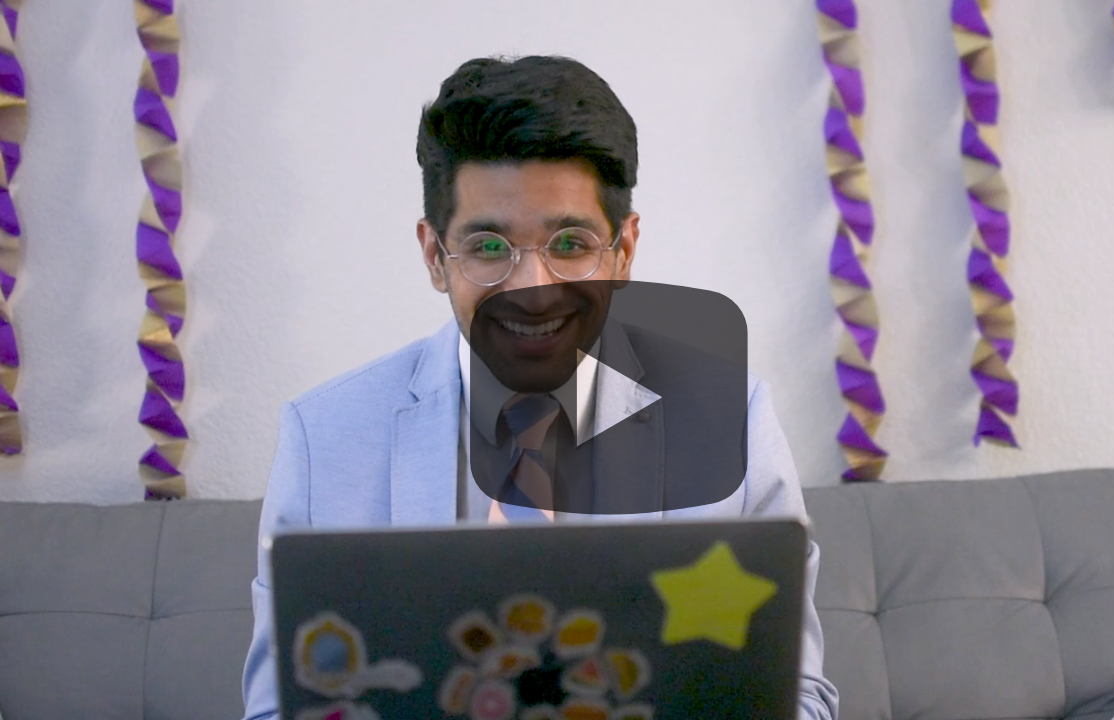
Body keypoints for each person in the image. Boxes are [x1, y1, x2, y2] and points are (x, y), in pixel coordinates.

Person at [241, 55, 839, 720]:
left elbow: (798, 696)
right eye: (489, 248)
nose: (532, 290)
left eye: (571, 244)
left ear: (623, 251)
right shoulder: (322, 439)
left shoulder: (733, 419)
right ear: (435, 257)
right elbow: (276, 709)